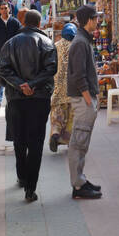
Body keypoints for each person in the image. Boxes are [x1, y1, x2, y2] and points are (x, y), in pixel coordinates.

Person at [0, 8, 57, 202]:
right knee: (36, 142)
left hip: (16, 98)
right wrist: (31, 85)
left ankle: (22, 176)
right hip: (38, 98)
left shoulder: (10, 43)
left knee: (19, 139)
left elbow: (2, 70)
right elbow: (51, 70)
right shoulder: (47, 43)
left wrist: (20, 85)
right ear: (39, 24)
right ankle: (31, 187)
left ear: (24, 23)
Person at [66, 5, 103, 199]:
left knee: (82, 142)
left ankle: (80, 179)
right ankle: (78, 185)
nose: (98, 22)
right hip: (83, 99)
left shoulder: (83, 40)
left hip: (85, 98)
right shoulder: (80, 42)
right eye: (96, 18)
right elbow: (78, 75)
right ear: (89, 20)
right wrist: (89, 99)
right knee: (79, 142)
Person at [49, 21, 76, 152]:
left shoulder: (55, 46)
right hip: (72, 88)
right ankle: (69, 139)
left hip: (58, 87)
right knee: (71, 116)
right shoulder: (77, 47)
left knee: (57, 114)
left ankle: (55, 133)